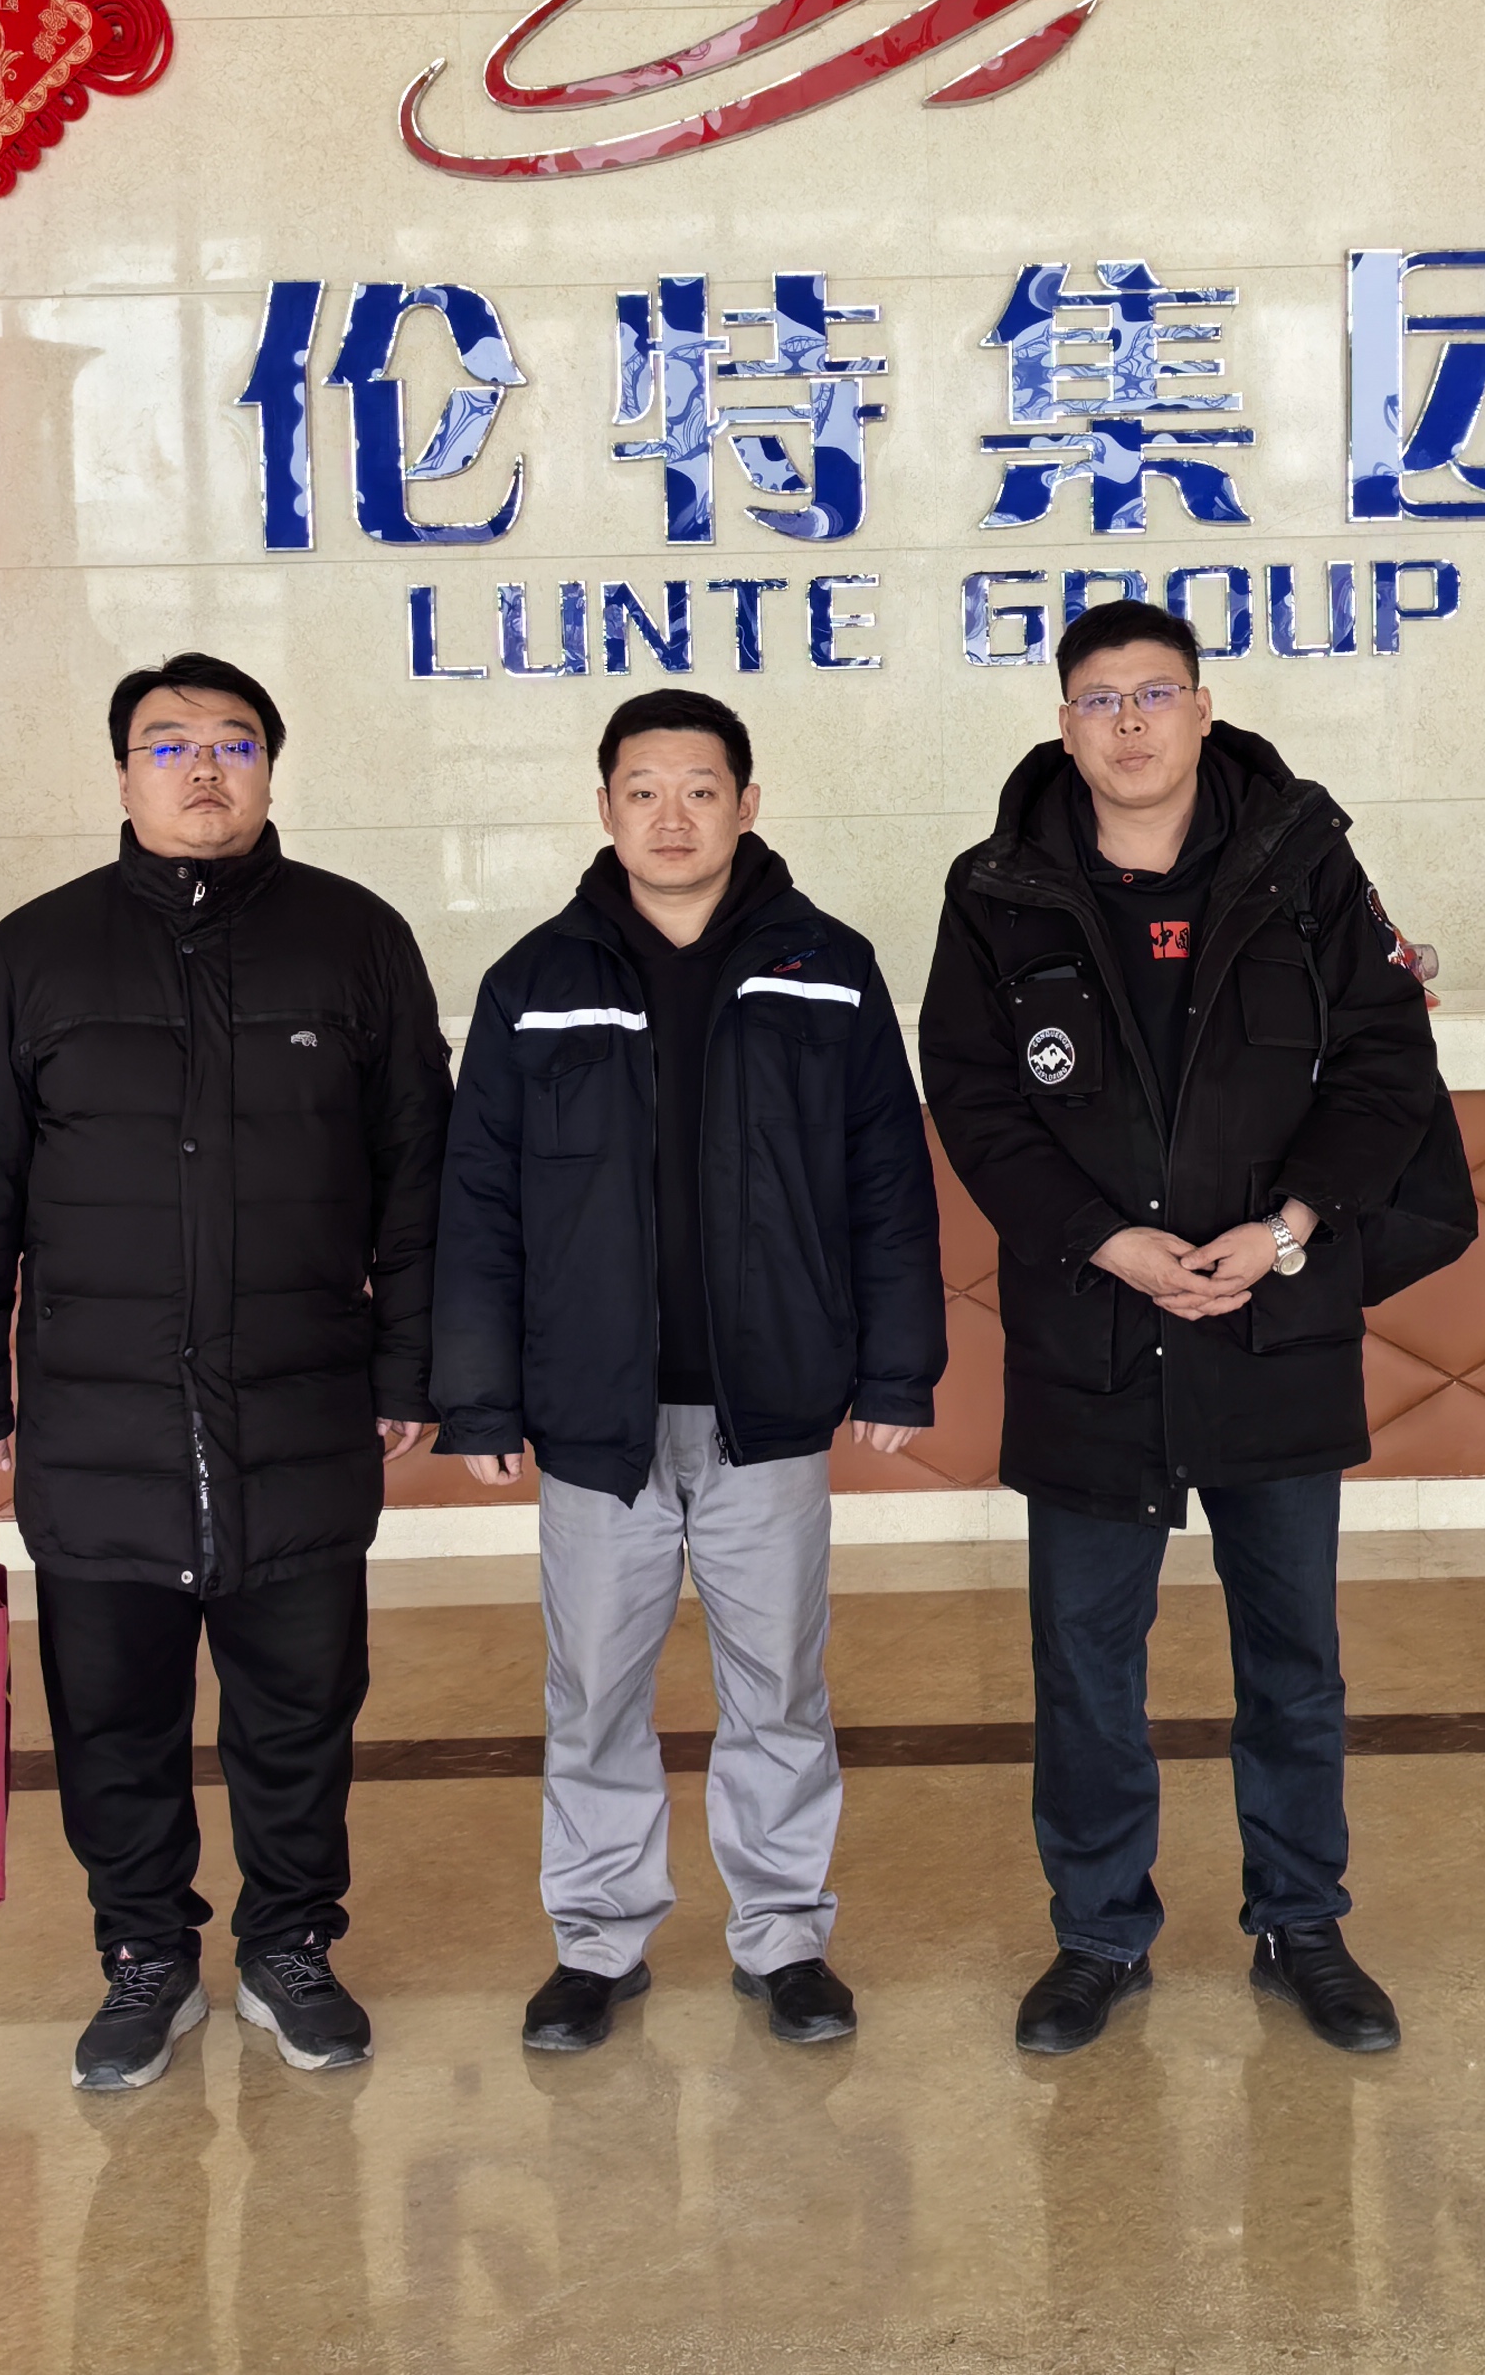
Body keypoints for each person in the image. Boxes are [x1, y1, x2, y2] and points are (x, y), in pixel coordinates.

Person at [919, 599, 1463, 2058]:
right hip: (1092, 1333)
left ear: (1205, 709)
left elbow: (1387, 1066)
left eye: (1155, 694)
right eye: (1100, 700)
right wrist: (1106, 1240)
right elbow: (973, 1098)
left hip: (1274, 1321)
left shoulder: (1303, 864)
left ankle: (1303, 1926)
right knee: (1085, 1664)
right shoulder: (998, 890)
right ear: (1063, 727)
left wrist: (1288, 1229)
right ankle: (1099, 1934)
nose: (1131, 723)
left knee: (1293, 1655)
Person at [0, 653, 449, 2091]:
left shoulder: (357, 939)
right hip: (100, 1420)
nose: (203, 768)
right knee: (113, 1721)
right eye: (169, 745)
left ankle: (290, 1947)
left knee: (301, 1714)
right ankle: (144, 1954)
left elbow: (421, 1179)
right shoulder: (38, 951)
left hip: (303, 1403)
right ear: (123, 775)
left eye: (233, 743)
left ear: (271, 767)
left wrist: (412, 1365)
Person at [433, 688, 942, 2054]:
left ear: (747, 804)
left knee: (778, 1693)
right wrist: (477, 1396)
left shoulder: (826, 967)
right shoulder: (533, 982)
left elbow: (887, 1183)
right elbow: (478, 1205)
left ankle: (785, 1939)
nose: (673, 817)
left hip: (764, 1411)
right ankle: (596, 1944)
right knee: (594, 1696)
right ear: (605, 808)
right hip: (592, 1414)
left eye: (701, 789)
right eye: (644, 790)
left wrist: (897, 1368)